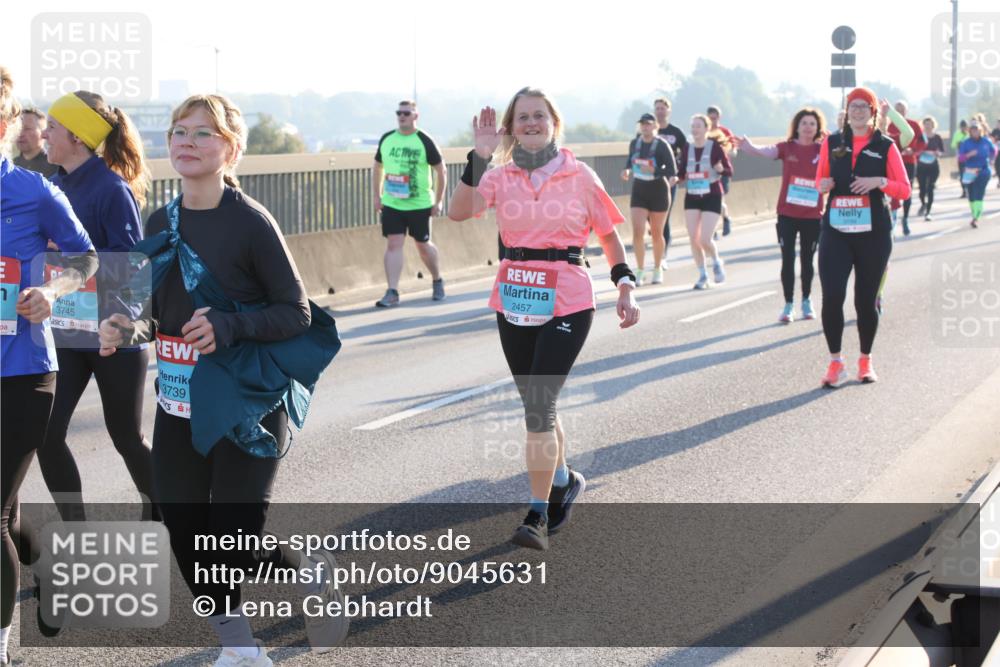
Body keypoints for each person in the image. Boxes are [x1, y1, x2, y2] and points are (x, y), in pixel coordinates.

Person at [98, 94, 346, 665]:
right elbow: (145, 317)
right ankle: (239, 648)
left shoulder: (251, 222)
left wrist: (231, 326)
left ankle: (309, 569)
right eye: (179, 131)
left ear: (231, 148)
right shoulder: (161, 221)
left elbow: (297, 313)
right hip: (179, 404)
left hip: (246, 404)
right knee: (188, 535)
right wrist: (120, 330)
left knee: (233, 539)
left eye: (203, 133)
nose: (187, 141)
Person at [448, 88, 639, 551]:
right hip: (515, 295)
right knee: (536, 404)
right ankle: (564, 478)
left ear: (554, 122)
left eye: (539, 115)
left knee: (538, 403)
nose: (531, 123)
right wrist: (478, 155)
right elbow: (457, 212)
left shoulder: (579, 174)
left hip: (569, 297)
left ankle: (535, 514)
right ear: (511, 128)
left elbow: (610, 238)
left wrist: (625, 284)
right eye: (523, 117)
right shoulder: (499, 176)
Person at [0, 65, 98, 667]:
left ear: (8, 124)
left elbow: (87, 260)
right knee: (4, 516)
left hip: (23, 371)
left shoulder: (35, 191)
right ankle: (47, 563)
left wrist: (53, 291)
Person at [33, 91, 155, 534]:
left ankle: (160, 509)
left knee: (125, 437)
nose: (45, 133)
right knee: (46, 433)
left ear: (79, 138)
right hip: (66, 331)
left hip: (110, 336)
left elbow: (130, 266)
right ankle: (76, 529)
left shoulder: (111, 189)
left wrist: (116, 325)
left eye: (53, 127)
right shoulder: (53, 184)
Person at [815, 87, 910, 387]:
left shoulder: (885, 146)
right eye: (852, 106)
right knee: (832, 296)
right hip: (837, 231)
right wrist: (824, 184)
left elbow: (904, 189)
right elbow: (820, 180)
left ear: (872, 112)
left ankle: (865, 360)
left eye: (863, 106)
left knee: (865, 301)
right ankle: (835, 362)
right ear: (847, 110)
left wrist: (879, 181)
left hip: (874, 233)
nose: (857, 111)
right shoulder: (831, 142)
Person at [737, 107, 826, 323]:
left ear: (818, 128)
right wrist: (749, 147)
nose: (808, 127)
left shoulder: (822, 150)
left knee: (807, 259)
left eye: (812, 124)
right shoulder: (787, 148)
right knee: (788, 259)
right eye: (804, 123)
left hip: (812, 214)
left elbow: (839, 163)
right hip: (787, 213)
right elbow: (765, 151)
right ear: (797, 126)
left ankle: (806, 300)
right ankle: (788, 305)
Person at [371, 100, 447, 307]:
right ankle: (392, 291)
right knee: (394, 243)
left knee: (422, 245)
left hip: (419, 203)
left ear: (415, 116)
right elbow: (377, 167)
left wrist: (438, 201)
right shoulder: (388, 139)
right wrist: (377, 197)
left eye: (407, 113)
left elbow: (441, 171)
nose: (402, 116)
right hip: (393, 202)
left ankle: (437, 279)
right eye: (399, 113)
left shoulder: (424, 140)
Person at [678, 114, 733, 290]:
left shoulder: (715, 147)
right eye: (692, 126)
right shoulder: (687, 148)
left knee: (704, 239)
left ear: (707, 128)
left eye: (698, 126)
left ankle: (716, 261)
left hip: (712, 195)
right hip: (693, 196)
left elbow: (728, 171)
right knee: (693, 239)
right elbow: (681, 172)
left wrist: (720, 169)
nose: (694, 129)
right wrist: (676, 178)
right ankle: (702, 274)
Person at [620, 113, 675, 285]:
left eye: (648, 124)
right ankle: (640, 269)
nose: (645, 127)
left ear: (655, 126)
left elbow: (672, 170)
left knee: (657, 232)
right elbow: (630, 163)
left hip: (658, 190)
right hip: (639, 190)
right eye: (642, 124)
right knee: (637, 231)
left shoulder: (662, 145)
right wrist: (627, 171)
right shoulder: (634, 143)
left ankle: (657, 268)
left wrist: (656, 171)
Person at [653, 98, 686, 266]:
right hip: (650, 182)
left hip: (669, 181)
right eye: (657, 108)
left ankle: (663, 255)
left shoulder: (676, 132)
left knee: (663, 217)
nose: (660, 111)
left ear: (668, 111)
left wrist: (679, 174)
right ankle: (659, 248)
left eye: (662, 108)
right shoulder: (649, 130)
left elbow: (687, 153)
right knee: (652, 220)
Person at [885, 101, 925, 235]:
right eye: (897, 110)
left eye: (901, 110)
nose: (900, 112)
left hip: (908, 162)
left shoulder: (913, 125)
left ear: (906, 111)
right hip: (893, 165)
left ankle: (905, 219)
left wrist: (913, 151)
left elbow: (922, 142)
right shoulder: (889, 126)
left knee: (906, 192)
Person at [957, 120, 997, 228]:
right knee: (971, 195)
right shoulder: (966, 143)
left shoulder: (985, 141)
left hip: (983, 171)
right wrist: (969, 155)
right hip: (970, 171)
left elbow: (994, 151)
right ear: (970, 131)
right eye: (973, 130)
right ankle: (974, 213)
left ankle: (976, 218)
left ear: (981, 131)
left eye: (977, 130)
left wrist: (992, 159)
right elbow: (960, 158)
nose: (975, 132)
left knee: (979, 194)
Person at [707, 105, 736, 236]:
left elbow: (733, 149)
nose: (713, 121)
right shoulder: (704, 131)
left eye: (715, 118)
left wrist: (725, 153)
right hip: (706, 172)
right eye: (710, 118)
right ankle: (713, 230)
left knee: (719, 200)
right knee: (708, 201)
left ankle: (726, 218)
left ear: (719, 117)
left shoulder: (725, 131)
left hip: (722, 170)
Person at [13, 107, 57, 178]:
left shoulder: (56, 169)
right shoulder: (11, 167)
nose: (20, 134)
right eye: (18, 129)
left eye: (27, 129)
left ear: (43, 133)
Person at [916, 116, 945, 221]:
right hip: (921, 166)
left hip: (933, 165)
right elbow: (915, 150)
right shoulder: (920, 137)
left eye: (929, 124)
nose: (928, 126)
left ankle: (928, 212)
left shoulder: (937, 137)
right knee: (922, 189)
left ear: (933, 125)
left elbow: (942, 151)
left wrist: (937, 153)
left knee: (930, 188)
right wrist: (921, 152)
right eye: (926, 124)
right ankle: (923, 203)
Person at [951, 119, 969, 197]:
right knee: (962, 174)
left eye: (965, 127)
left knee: (969, 174)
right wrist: (958, 143)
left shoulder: (970, 134)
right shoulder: (957, 134)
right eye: (962, 127)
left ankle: (969, 189)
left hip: (970, 158)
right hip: (961, 157)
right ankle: (964, 190)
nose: (963, 128)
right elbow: (952, 145)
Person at [991, 119, 1000, 189]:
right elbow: (991, 138)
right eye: (998, 124)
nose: (998, 125)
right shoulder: (995, 131)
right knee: (997, 166)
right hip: (996, 151)